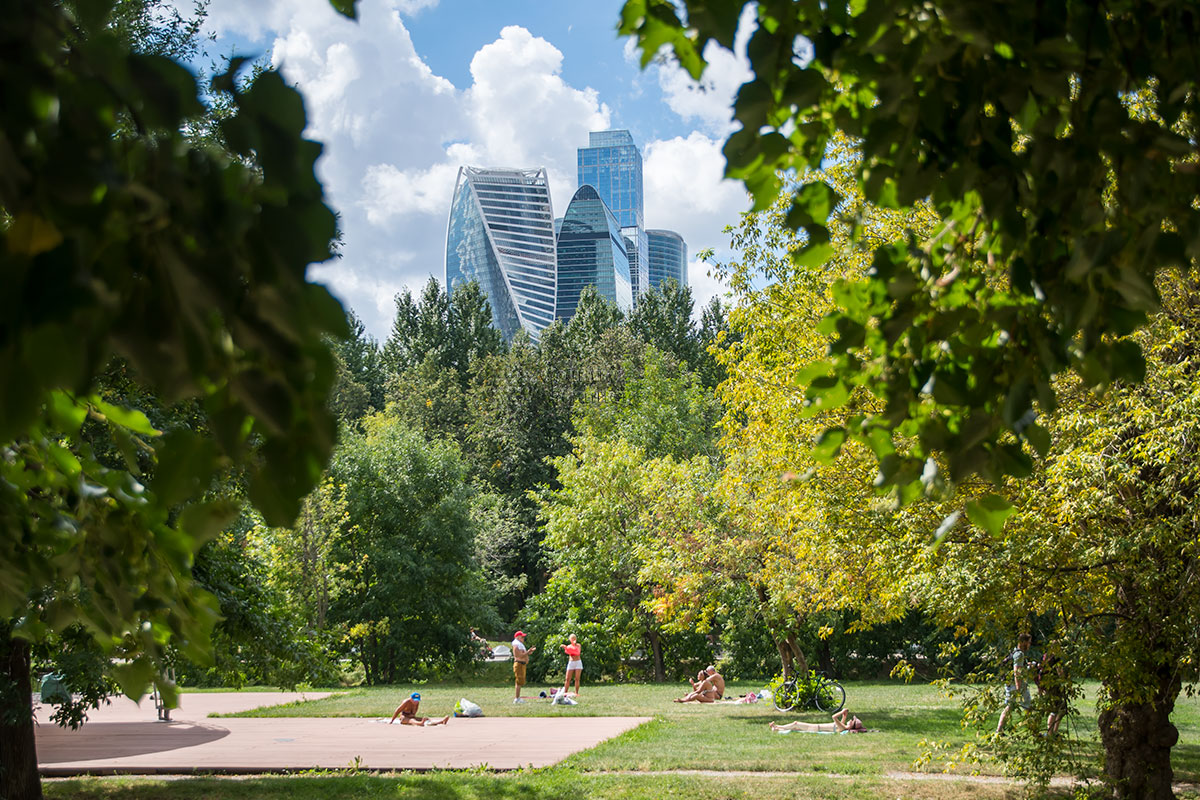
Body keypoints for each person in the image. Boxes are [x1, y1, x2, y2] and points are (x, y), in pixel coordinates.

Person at [996, 633, 1033, 734]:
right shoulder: (1019, 654)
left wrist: (1028, 666)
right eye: (1029, 642)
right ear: (1023, 642)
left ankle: (999, 731)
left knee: (1009, 707)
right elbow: (1017, 672)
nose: (1029, 645)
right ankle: (1033, 731)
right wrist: (1018, 688)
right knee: (1028, 707)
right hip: (1017, 685)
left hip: (1010, 684)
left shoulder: (1014, 652)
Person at [1037, 640, 1069, 737]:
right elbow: (1060, 673)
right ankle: (1051, 733)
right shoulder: (1055, 658)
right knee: (1057, 710)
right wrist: (1065, 681)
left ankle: (1053, 732)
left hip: (1046, 686)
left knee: (1059, 709)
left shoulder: (1044, 657)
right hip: (1054, 687)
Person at [769, 708, 868, 734]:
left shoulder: (843, 727)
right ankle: (776, 728)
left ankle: (777, 727)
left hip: (816, 728)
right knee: (795, 728)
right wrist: (844, 715)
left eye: (851, 721)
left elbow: (834, 717)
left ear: (851, 726)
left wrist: (841, 712)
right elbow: (841, 721)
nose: (850, 720)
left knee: (796, 724)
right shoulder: (843, 726)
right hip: (816, 727)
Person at [512, 630, 536, 703]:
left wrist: (529, 651)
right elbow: (519, 655)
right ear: (518, 637)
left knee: (520, 682)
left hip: (522, 664)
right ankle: (517, 698)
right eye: (522, 637)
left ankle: (518, 698)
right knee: (519, 682)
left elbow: (523, 654)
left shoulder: (519, 644)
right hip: (519, 664)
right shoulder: (516, 645)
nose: (523, 638)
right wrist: (528, 652)